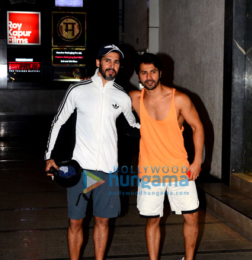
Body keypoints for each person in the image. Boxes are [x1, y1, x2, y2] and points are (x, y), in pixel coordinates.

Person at [44, 44, 140, 260]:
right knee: (76, 221)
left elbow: (133, 127)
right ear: (98, 62)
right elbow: (58, 122)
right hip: (81, 169)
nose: (112, 65)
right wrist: (50, 156)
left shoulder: (122, 96)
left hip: (108, 170)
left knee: (103, 220)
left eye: (116, 62)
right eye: (107, 60)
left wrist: (163, 128)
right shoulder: (78, 89)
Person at [129, 53, 204, 260]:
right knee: (152, 219)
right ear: (139, 76)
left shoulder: (179, 99)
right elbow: (107, 97)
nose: (149, 76)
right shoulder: (134, 98)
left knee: (191, 216)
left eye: (153, 71)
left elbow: (197, 127)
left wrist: (197, 160)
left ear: (160, 73)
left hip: (179, 168)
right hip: (150, 170)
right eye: (144, 73)